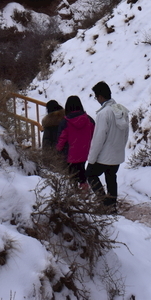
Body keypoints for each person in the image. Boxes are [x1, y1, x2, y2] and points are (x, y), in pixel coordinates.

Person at [85, 81, 129, 211]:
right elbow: (126, 134)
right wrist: (120, 148)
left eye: (96, 97)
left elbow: (98, 138)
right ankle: (112, 204)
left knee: (90, 174)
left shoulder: (103, 113)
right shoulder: (122, 110)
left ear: (100, 97)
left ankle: (104, 203)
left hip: (104, 155)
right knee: (111, 177)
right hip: (117, 154)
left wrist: (92, 158)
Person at [56, 95, 93, 186]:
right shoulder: (89, 120)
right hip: (85, 152)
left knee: (72, 174)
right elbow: (95, 134)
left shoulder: (65, 122)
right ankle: (84, 192)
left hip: (70, 153)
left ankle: (74, 193)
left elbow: (62, 138)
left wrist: (58, 149)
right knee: (81, 170)